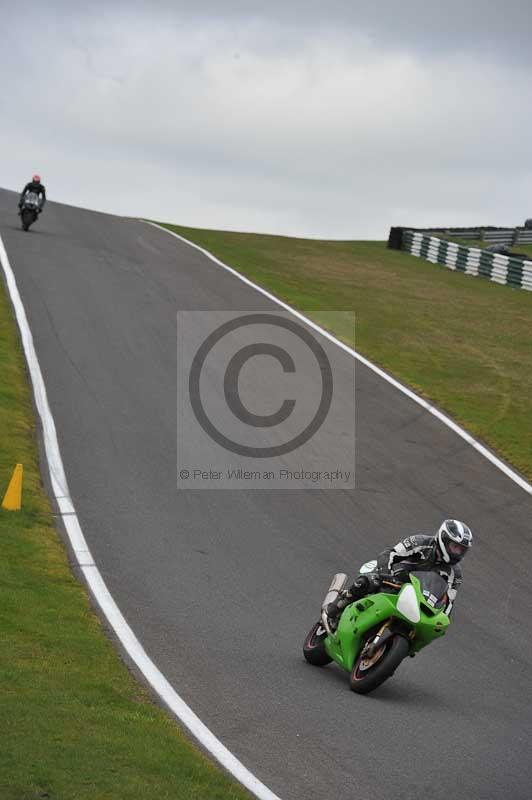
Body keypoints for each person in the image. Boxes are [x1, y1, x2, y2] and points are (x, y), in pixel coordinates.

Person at [327, 519, 473, 628]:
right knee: (367, 582)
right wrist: (385, 573)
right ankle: (338, 606)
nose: (458, 552)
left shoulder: (455, 574)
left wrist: (441, 620)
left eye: (462, 549)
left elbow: (449, 602)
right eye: (455, 547)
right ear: (444, 539)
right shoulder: (420, 542)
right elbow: (389, 554)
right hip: (392, 578)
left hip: (418, 597)